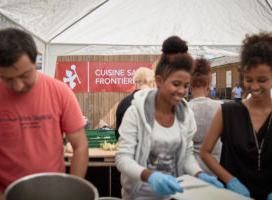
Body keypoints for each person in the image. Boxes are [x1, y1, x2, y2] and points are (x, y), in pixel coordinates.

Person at [0, 28, 89, 200]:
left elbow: (80, 146)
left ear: (36, 61)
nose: (18, 86)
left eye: (25, 75)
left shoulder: (60, 92)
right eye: (7, 79)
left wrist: (71, 190)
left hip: (54, 194)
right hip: (5, 194)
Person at [116, 36, 223, 200]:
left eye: (186, 86)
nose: (182, 91)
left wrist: (199, 174)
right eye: (176, 84)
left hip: (173, 195)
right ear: (159, 81)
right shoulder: (136, 112)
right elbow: (123, 159)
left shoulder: (186, 114)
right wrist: (148, 175)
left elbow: (187, 156)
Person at [200, 32, 272, 200]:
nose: (254, 86)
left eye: (262, 80)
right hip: (233, 195)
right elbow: (205, 152)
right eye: (248, 80)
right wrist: (229, 179)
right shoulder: (227, 112)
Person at [188, 58, 222, 176]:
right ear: (208, 85)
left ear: (190, 86)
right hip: (216, 169)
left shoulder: (184, 110)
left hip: (190, 171)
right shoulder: (220, 109)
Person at [115, 67, 156, 139]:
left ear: (135, 84)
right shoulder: (159, 103)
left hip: (129, 147)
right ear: (153, 84)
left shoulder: (123, 103)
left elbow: (118, 133)